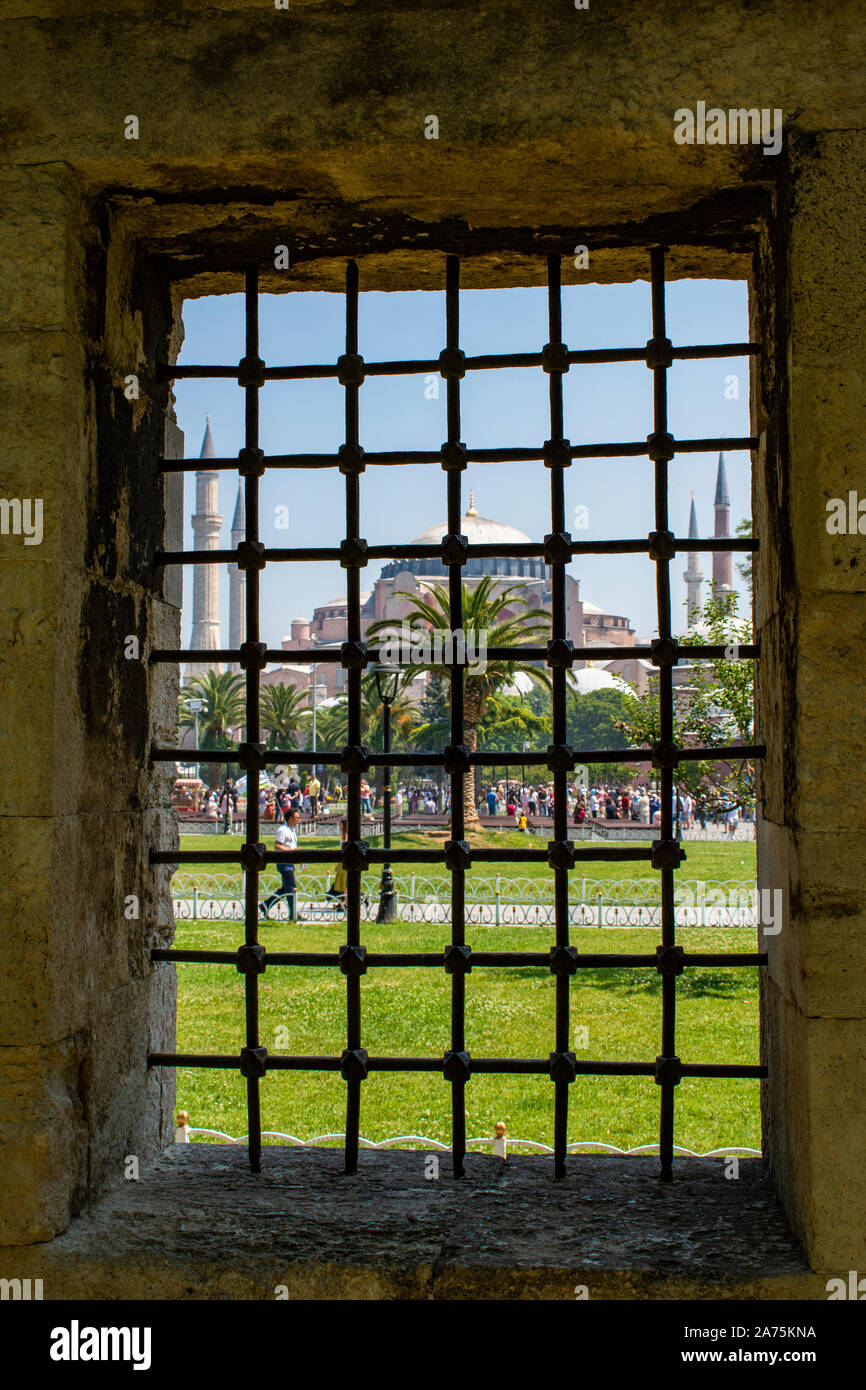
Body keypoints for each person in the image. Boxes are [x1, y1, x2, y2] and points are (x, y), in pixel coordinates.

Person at [260, 808, 306, 921]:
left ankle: (265, 906)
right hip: (284, 863)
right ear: (290, 818)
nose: (299, 819)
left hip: (289, 863)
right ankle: (293, 914)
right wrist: (292, 851)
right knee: (291, 888)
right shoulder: (283, 830)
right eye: (297, 817)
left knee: (285, 890)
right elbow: (277, 846)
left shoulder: (291, 830)